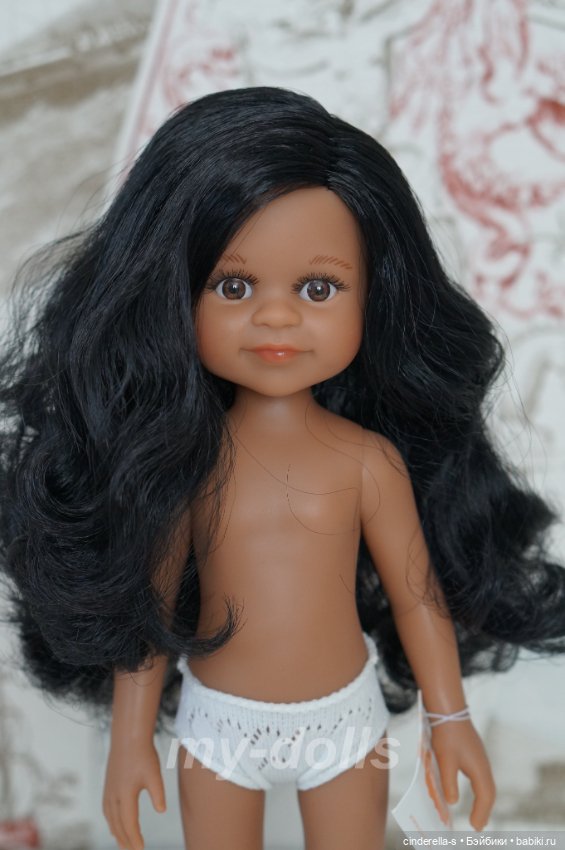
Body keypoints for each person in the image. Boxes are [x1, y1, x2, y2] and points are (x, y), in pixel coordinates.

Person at [1, 87, 564, 850]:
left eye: (317, 288)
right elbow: (150, 608)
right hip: (219, 722)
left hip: (341, 719)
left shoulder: (367, 461)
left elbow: (416, 597)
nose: (275, 317)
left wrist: (450, 718)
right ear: (173, 295)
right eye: (233, 287)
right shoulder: (182, 463)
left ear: (374, 297)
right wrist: (130, 742)